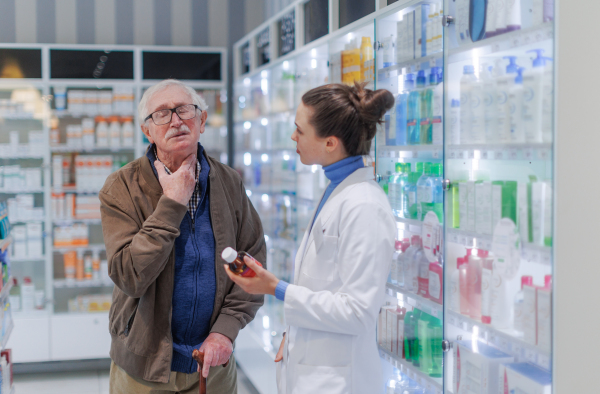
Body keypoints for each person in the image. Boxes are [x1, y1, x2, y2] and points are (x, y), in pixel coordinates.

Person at [225, 82, 397, 393]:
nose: (293, 137)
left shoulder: (365, 206)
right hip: (311, 365)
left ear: (330, 143)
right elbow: (324, 286)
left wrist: (275, 288)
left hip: (340, 381)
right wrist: (294, 341)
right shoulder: (337, 189)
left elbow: (357, 312)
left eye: (299, 130)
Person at [100, 79, 266, 394]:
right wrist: (172, 205)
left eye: (184, 110)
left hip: (213, 367)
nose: (176, 121)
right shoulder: (121, 186)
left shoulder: (229, 182)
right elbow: (129, 275)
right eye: (162, 114)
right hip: (143, 370)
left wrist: (225, 332)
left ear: (202, 121)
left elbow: (253, 266)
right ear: (147, 131)